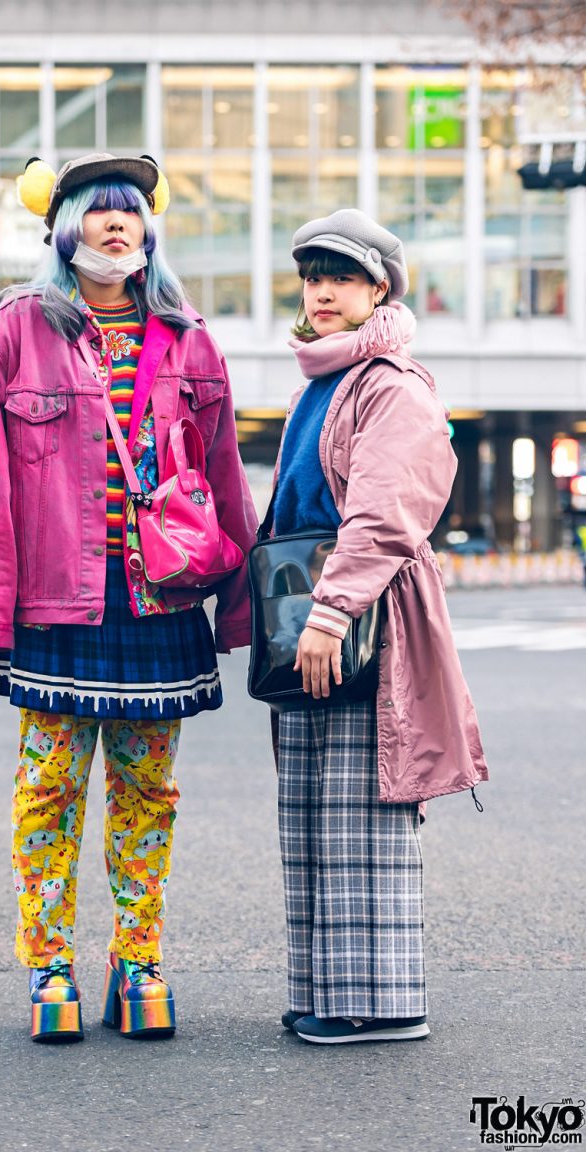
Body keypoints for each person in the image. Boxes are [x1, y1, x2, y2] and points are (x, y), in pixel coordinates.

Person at [0, 152, 257, 1043]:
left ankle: (138, 960)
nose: (117, 225)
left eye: (131, 213)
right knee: (47, 791)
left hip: (161, 614)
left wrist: (237, 611)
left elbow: (225, 482)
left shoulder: (191, 339)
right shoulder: (13, 331)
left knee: (148, 793)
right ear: (60, 230)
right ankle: (49, 968)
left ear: (150, 232)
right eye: (96, 211)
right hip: (55, 611)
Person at [272, 208, 488, 1045]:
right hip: (319, 616)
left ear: (378, 290)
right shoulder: (323, 381)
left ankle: (380, 1003)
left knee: (364, 807)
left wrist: (329, 611)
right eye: (311, 276)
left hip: (364, 617)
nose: (321, 291)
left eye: (342, 277)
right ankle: (329, 989)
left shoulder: (391, 384)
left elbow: (386, 515)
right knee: (314, 812)